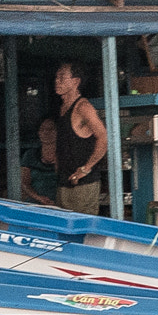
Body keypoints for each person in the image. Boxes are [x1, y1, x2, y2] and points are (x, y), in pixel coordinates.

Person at [52, 64, 108, 215]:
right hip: (64, 180)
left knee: (82, 225)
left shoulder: (83, 107)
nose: (57, 81)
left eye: (62, 77)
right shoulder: (62, 108)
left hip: (83, 183)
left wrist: (86, 168)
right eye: (56, 77)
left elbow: (103, 137)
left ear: (76, 81)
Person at [19, 119, 59, 207]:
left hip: (61, 204)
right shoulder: (30, 155)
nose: (46, 132)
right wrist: (40, 198)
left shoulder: (65, 156)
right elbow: (24, 183)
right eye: (42, 129)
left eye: (50, 129)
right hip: (35, 204)